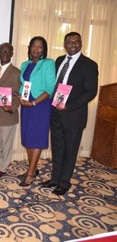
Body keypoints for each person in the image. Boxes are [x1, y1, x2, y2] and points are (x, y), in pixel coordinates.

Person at [41, 32, 98, 195]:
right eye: (69, 42)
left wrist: (69, 106)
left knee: (70, 151)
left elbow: (90, 92)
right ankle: (55, 179)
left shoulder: (89, 65)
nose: (73, 45)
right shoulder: (59, 60)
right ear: (65, 44)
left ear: (81, 44)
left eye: (76, 42)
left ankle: (64, 183)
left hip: (73, 116)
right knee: (57, 148)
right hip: (56, 113)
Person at [18, 36, 56, 187]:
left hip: (40, 105)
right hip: (26, 104)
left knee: (37, 138)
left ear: (44, 49)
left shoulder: (48, 64)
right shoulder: (25, 64)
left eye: (40, 46)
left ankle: (31, 173)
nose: (36, 49)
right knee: (28, 137)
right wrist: (21, 97)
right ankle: (32, 168)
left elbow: (50, 88)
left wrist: (33, 102)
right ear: (29, 48)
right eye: (33, 46)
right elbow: (24, 84)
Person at [0, 43, 21, 178]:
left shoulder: (17, 72)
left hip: (8, 114)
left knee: (6, 143)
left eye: (8, 51)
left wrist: (11, 108)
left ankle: (2, 166)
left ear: (12, 54)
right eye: (2, 51)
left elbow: (19, 94)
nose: (5, 53)